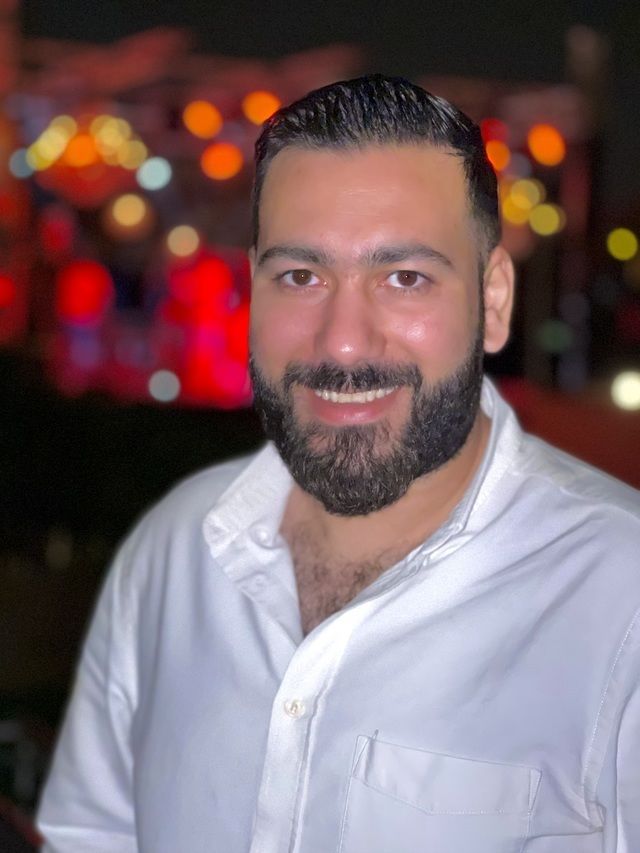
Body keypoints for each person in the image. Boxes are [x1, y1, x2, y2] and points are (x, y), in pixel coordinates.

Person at [38, 75, 640, 853]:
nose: (344, 341)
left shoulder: (619, 598)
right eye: (301, 276)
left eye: (404, 278)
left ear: (492, 301)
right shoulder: (173, 550)